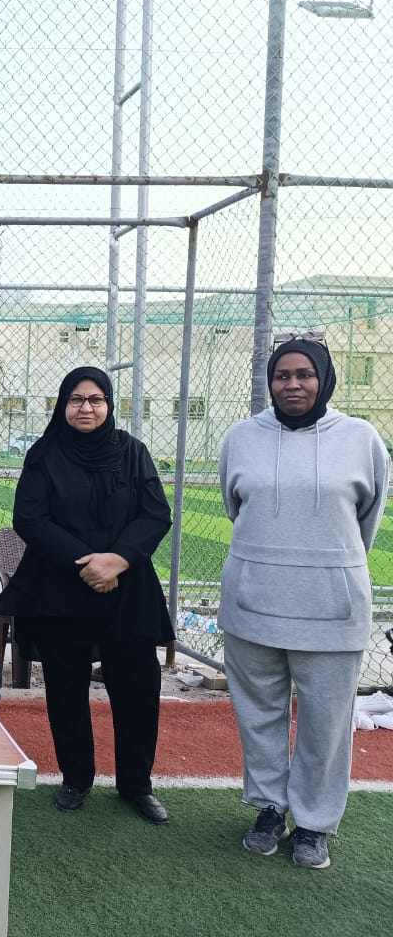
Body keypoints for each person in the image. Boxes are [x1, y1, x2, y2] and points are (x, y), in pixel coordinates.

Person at [218, 334, 388, 869]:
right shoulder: (241, 437)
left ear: (323, 378)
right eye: (282, 375)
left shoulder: (361, 439)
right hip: (252, 604)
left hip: (332, 609)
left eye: (304, 374)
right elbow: (235, 506)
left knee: (326, 722)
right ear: (270, 381)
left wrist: (327, 568)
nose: (292, 384)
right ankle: (269, 808)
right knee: (259, 714)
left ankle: (314, 822)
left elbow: (366, 521)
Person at [5, 366, 173, 825]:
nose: (86, 408)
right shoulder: (44, 454)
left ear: (109, 404)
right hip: (62, 589)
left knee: (138, 688)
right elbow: (30, 518)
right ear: (63, 405)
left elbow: (156, 514)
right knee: (66, 687)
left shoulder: (132, 452)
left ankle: (136, 785)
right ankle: (76, 778)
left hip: (127, 587)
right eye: (76, 399)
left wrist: (118, 559)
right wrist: (89, 563)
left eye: (95, 399)